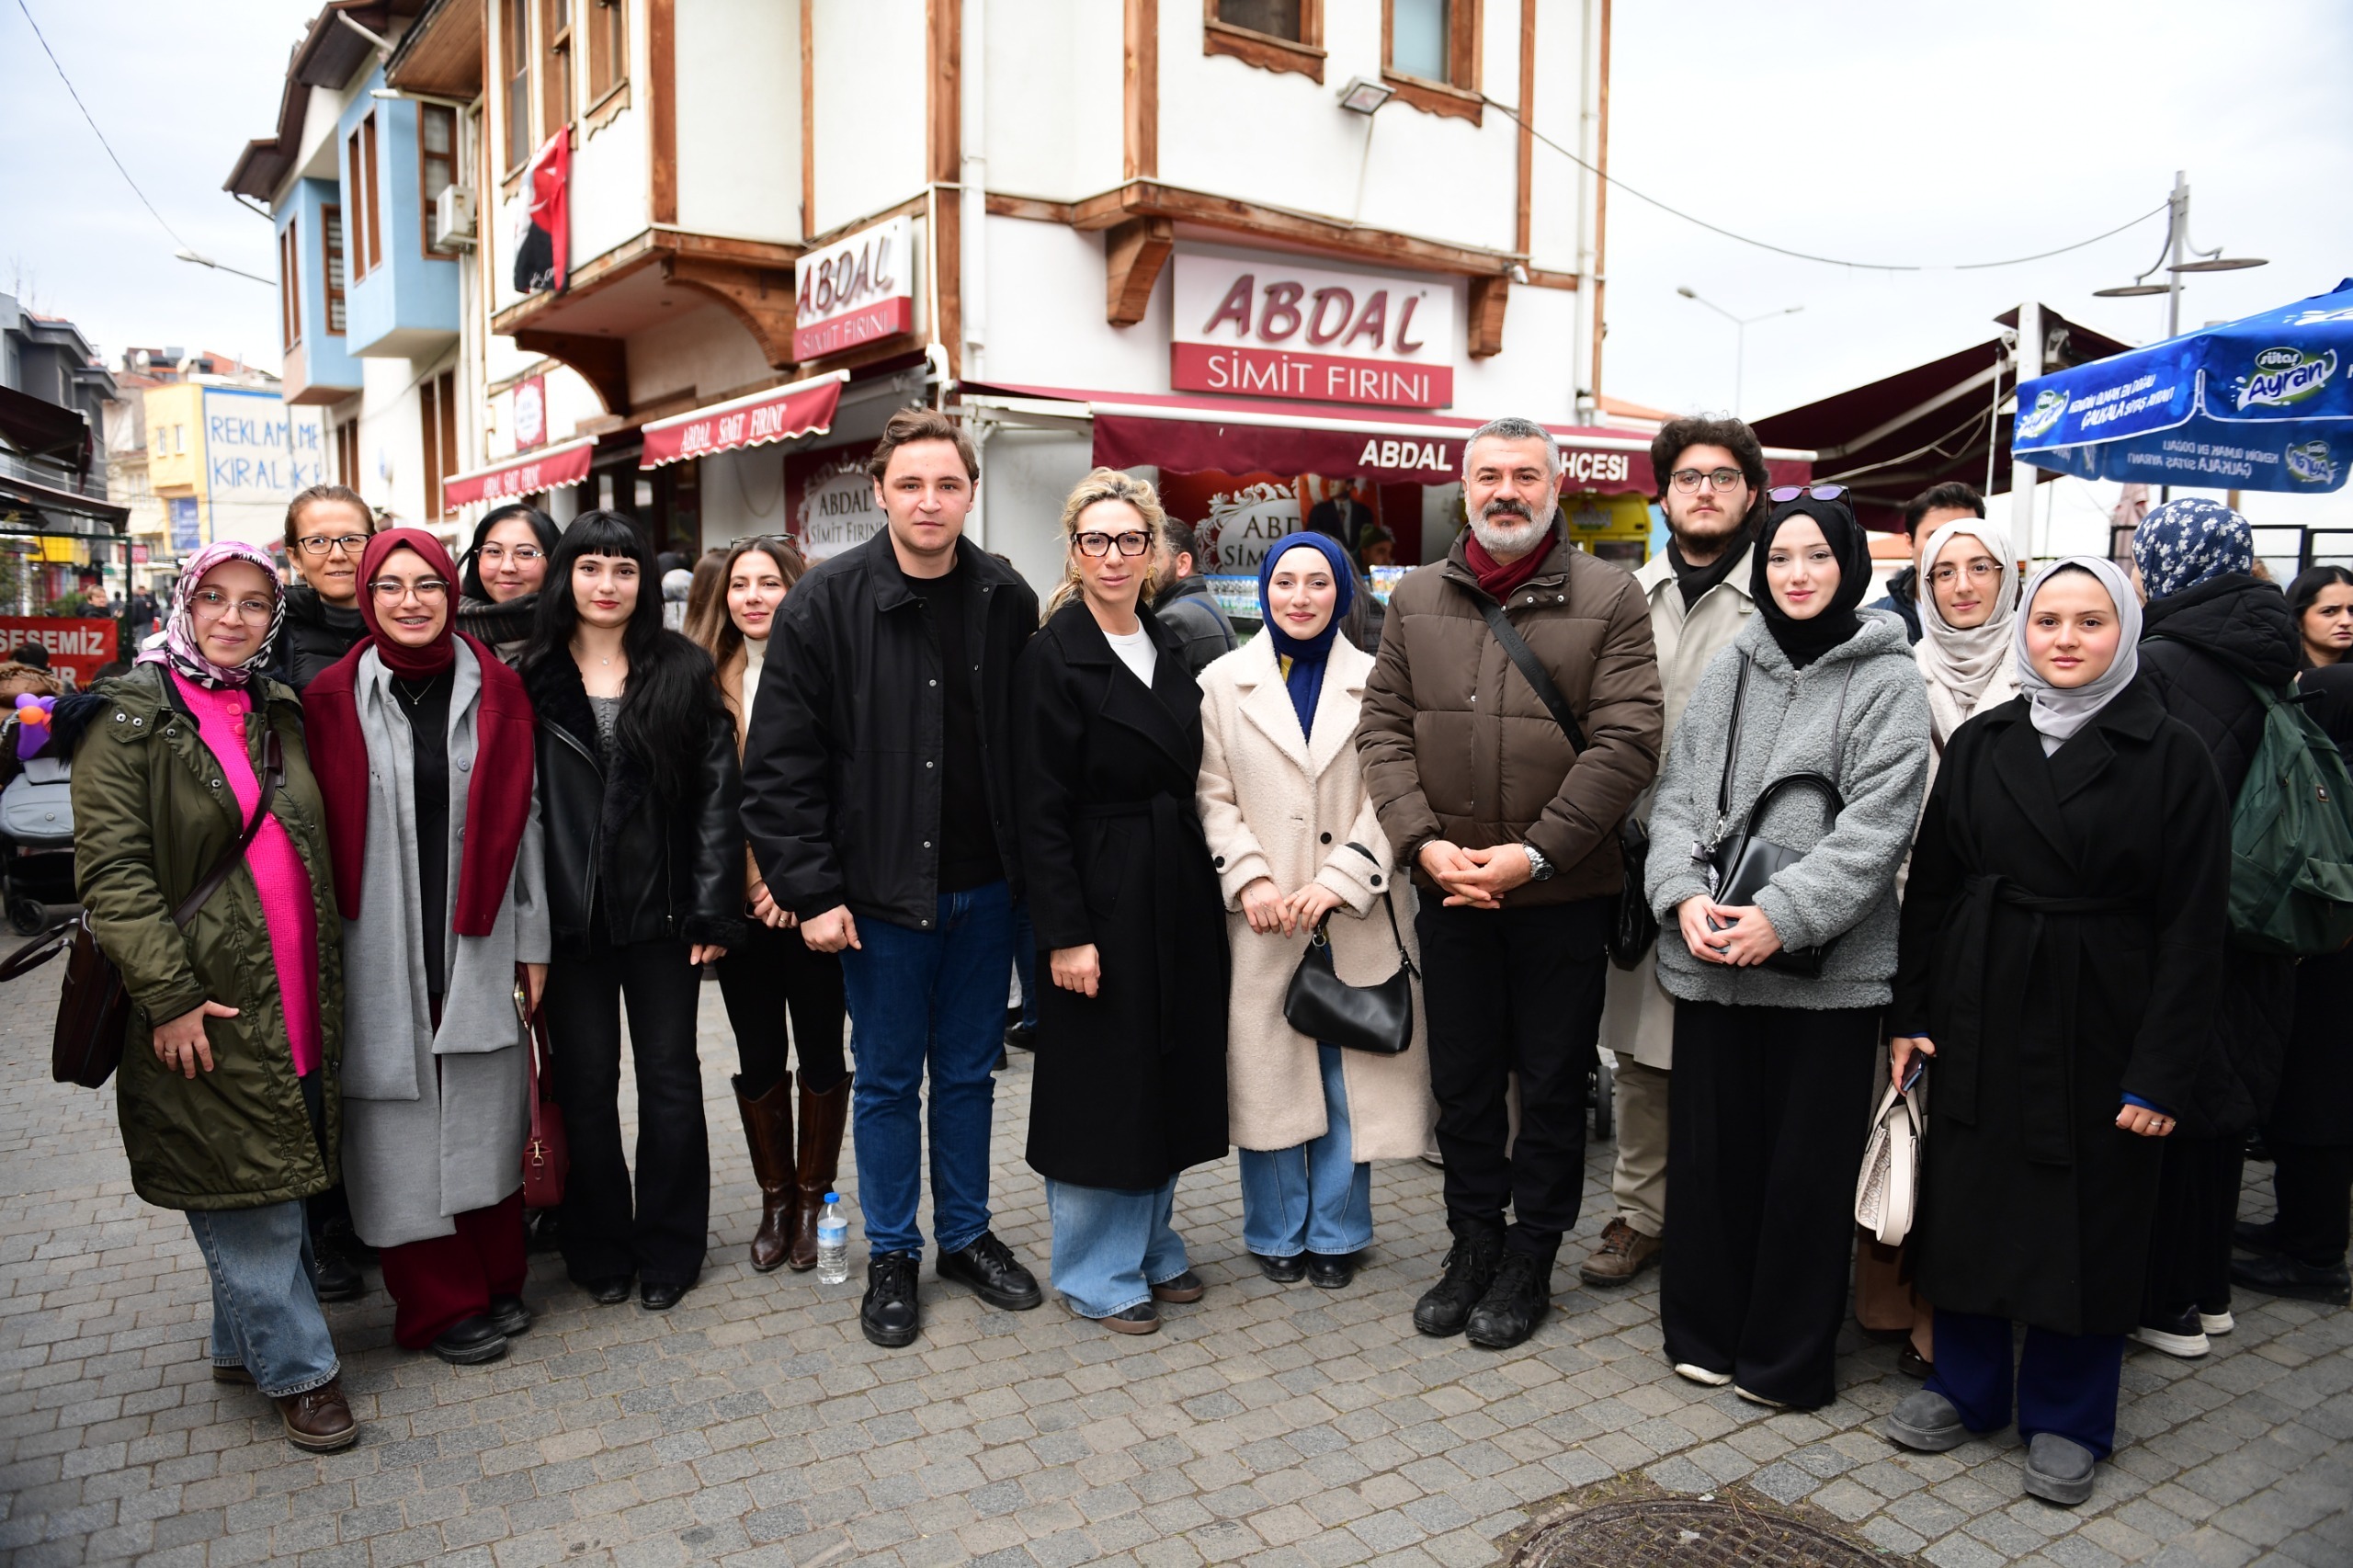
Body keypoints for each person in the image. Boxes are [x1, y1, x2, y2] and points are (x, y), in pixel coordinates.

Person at [1883, 557, 2227, 1506]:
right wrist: (1911, 1012)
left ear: (2124, 629)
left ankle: (2070, 1415)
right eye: (2047, 622)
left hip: (2106, 1013)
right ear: (2023, 632)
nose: (2066, 639)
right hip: (1981, 997)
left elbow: (2196, 927)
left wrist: (2160, 1074)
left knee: (2091, 1213)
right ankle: (1966, 1384)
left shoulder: (2173, 752)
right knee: (1973, 1198)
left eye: (2089, 621)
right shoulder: (1988, 739)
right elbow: (1937, 888)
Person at [1356, 415, 1664, 1350]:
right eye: (1489, 474)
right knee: (1463, 1085)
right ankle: (1471, 1246)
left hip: (1560, 899)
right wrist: (1422, 843)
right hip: (1448, 892)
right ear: (1462, 484)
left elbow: (1627, 743)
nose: (1506, 491)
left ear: (1554, 488)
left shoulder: (1610, 596)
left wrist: (1532, 854)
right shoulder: (1414, 597)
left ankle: (1532, 1255)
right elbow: (1382, 731)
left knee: (1554, 1084)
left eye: (1525, 475)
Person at [741, 408, 1043, 1349]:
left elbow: (1028, 748)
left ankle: (963, 1235)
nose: (928, 500)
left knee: (967, 1073)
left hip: (984, 889)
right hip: (874, 900)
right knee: (882, 1081)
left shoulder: (1004, 594)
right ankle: (891, 1253)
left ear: (970, 492)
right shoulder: (824, 602)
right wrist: (812, 891)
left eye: (946, 483)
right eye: (909, 483)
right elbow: (779, 765)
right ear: (879, 491)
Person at [1642, 490, 1930, 1409]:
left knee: (1801, 1176)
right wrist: (1679, 895)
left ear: (1849, 564)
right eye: (1778, 559)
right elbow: (1677, 798)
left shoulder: (1889, 679)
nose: (1797, 573)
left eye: (1815, 556)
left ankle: (1783, 1358)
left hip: (1826, 978)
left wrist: (1781, 914)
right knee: (1711, 1163)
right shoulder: (1733, 663)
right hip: (1713, 964)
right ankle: (1701, 1330)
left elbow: (1876, 833)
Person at [68, 541, 358, 1451]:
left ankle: (242, 1339)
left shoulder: (273, 706)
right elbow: (113, 871)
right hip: (210, 997)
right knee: (247, 1186)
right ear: (184, 602)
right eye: (217, 599)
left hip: (296, 993)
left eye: (255, 602)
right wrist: (170, 995)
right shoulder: (130, 716)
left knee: (267, 1165)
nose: (234, 617)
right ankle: (302, 1370)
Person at [302, 529, 548, 1364]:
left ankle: (496, 1277)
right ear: (367, 599)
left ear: (453, 591)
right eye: (391, 587)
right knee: (396, 1121)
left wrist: (535, 940)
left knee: (483, 1105)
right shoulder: (329, 699)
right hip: (376, 946)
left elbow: (531, 828)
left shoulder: (501, 690)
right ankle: (439, 1305)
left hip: (479, 939)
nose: (411, 601)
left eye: (428, 585)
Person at [1016, 469, 1226, 1333]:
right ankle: (1095, 1269)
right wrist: (1065, 934)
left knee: (1167, 1066)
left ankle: (1150, 1240)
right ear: (1074, 550)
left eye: (1129, 539)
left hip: (1172, 878)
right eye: (1095, 540)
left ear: (1156, 554)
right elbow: (1036, 807)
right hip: (1098, 889)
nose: (1112, 555)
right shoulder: (1050, 653)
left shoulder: (1165, 641)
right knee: (1102, 1082)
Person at [523, 510, 745, 1312]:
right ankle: (599, 1246)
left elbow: (720, 798)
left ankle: (670, 1248)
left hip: (664, 921)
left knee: (671, 1083)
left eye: (623, 568)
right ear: (566, 578)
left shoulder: (681, 669)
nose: (607, 584)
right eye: (590, 567)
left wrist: (713, 911)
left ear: (643, 582)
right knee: (584, 1088)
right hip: (571, 926)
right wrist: (528, 928)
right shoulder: (533, 676)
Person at [1197, 531, 1431, 1290]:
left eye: (1319, 583)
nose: (1301, 597)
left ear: (1344, 592)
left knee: (1345, 1078)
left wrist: (1339, 879)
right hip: (1263, 920)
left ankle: (1337, 1231)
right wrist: (1252, 879)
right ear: (1264, 590)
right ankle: (1273, 1232)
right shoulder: (1220, 682)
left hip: (1354, 911)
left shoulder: (1382, 680)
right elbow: (1209, 795)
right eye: (1286, 582)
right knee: (1269, 1080)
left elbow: (1394, 792)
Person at [1586, 415, 1767, 1290]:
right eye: (1689, 477)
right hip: (1634, 854)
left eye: (1723, 478)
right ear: (1662, 496)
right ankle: (1639, 1215)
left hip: (1745, 859)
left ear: (1751, 494)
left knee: (1726, 1046)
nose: (1704, 491)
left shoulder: (1781, 593)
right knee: (1636, 1047)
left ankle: (1714, 1211)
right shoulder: (1624, 595)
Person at [1855, 512, 2023, 1375]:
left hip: (2004, 934)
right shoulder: (1899, 671)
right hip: (1898, 912)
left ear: (2009, 576)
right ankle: (1891, 1303)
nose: (1962, 586)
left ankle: (1958, 1310)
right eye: (1944, 572)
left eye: (1980, 569)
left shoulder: (2046, 675)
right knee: (1898, 1111)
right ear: (1922, 587)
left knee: (1975, 1126)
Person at [2129, 498, 2297, 1358]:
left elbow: (2153, 811)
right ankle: (2209, 1288)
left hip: (2186, 920)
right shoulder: (2272, 648)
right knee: (2227, 1103)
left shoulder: (2162, 661)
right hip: (2263, 916)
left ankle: (2163, 1304)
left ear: (2161, 567)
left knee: (2171, 1105)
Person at [685, 537, 851, 1273]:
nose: (754, 597)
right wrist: (751, 883)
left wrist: (794, 881)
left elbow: (839, 791)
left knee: (820, 1047)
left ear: (798, 592)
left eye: (770, 583)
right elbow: (706, 798)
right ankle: (775, 1198)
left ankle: (815, 1199)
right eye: (740, 586)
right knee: (757, 1055)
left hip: (812, 899)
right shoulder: (702, 680)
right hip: (739, 907)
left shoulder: (831, 674)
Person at [2235, 660, 2353, 1306]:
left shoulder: (2334, 786)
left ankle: (2314, 1258)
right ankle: (2296, 1232)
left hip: (2329, 979)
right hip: (2321, 971)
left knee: (2317, 1115)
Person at [270, 484, 377, 690]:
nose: (337, 555)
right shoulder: (269, 634)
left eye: (351, 539)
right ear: (295, 558)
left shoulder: (403, 622)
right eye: (318, 541)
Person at [1868, 482, 1985, 646]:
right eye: (1936, 535)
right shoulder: (1874, 623)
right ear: (1910, 543)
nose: (1950, 545)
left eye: (1963, 533)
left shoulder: (2020, 621)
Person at [453, 502, 560, 665]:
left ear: (553, 560)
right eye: (494, 552)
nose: (507, 567)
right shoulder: (449, 634)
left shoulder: (576, 634)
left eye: (525, 553)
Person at [1151, 518, 1238, 676]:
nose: (1146, 567)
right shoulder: (1203, 604)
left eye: (1154, 557)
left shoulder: (1176, 618)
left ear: (1183, 564)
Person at [2285, 564, 2353, 669]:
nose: (2346, 621)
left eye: (2352, 611)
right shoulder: (2276, 675)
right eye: (2329, 611)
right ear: (2298, 619)